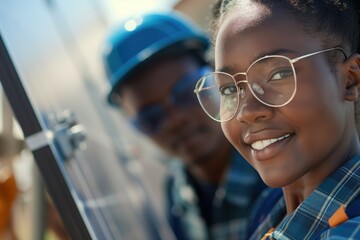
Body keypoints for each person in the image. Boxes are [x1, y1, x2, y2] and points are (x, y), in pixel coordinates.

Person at [194, 0, 360, 239]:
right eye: (228, 89)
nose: (247, 111)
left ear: (350, 79)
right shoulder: (271, 214)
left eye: (278, 74)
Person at [102, 10, 268, 240]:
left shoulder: (276, 168)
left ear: (216, 75)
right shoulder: (178, 197)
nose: (175, 120)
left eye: (186, 93)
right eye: (151, 117)